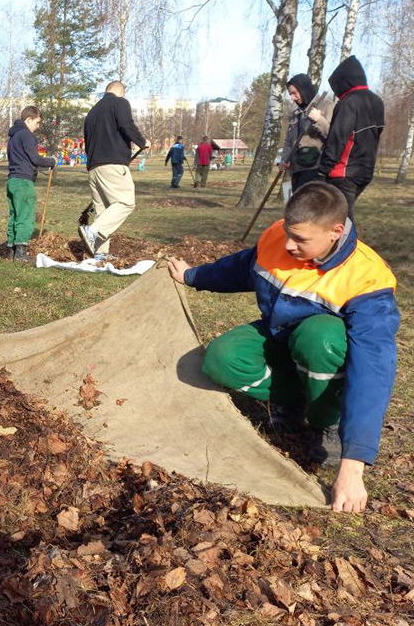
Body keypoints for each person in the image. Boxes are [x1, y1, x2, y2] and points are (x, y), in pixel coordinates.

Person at [167, 182, 399, 513]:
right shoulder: (280, 236)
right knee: (221, 358)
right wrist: (193, 276)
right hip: (279, 337)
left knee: (319, 336)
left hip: (321, 346)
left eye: (301, 240)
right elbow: (242, 268)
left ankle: (325, 421)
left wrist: (354, 461)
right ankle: (293, 401)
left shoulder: (367, 278)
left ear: (335, 231)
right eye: (288, 233)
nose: (288, 244)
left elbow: (373, 368)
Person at [79, 81, 148, 259]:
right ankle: (93, 231)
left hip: (94, 167)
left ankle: (100, 254)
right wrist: (142, 142)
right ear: (121, 92)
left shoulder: (92, 112)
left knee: (104, 210)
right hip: (113, 164)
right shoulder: (119, 103)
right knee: (126, 202)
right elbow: (126, 125)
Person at [317, 55, 385, 221]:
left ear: (343, 82)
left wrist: (323, 170)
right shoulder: (377, 101)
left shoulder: (349, 102)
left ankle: (348, 247)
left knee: (341, 219)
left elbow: (337, 138)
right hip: (365, 171)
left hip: (343, 172)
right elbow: (378, 132)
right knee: (339, 215)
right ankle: (338, 245)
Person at [5, 106, 55, 262]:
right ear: (28, 119)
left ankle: (11, 249)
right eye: (37, 122)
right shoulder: (27, 135)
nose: (38, 126)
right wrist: (51, 161)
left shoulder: (13, 137)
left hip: (12, 180)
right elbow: (35, 159)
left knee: (15, 215)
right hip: (23, 182)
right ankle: (21, 252)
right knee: (26, 216)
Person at [279, 74, 334, 194]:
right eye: (290, 94)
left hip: (316, 170)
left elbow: (335, 137)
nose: (293, 98)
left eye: (295, 93)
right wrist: (285, 159)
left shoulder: (327, 105)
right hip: (296, 170)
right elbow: (289, 140)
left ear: (304, 89)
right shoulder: (295, 113)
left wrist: (319, 120)